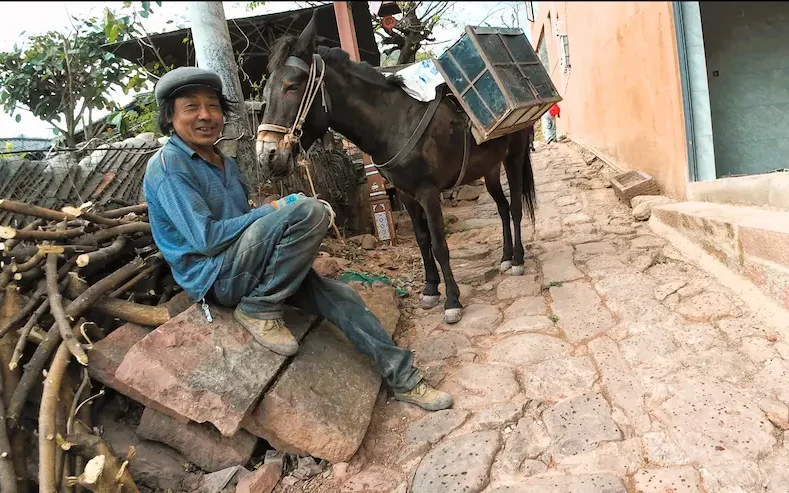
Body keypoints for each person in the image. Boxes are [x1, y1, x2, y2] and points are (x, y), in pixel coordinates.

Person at [142, 66, 453, 411]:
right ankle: (259, 306)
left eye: (213, 106)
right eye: (191, 107)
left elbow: (241, 222)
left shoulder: (224, 164)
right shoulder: (168, 166)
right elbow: (206, 239)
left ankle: (405, 380)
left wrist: (275, 217)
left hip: (249, 263)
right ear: (169, 117)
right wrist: (277, 209)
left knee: (343, 298)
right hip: (216, 276)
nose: (205, 115)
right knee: (309, 211)